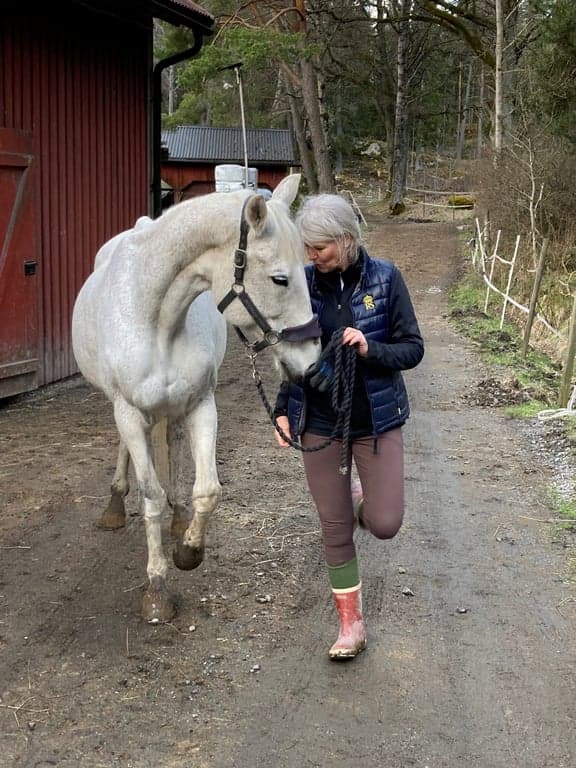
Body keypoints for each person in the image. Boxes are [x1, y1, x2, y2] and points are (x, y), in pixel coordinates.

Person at [273, 193, 424, 661]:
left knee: (385, 523)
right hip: (319, 421)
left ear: (346, 239)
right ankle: (350, 626)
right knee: (333, 527)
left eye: (320, 248)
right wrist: (283, 409)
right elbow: (291, 354)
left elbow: (412, 349)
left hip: (374, 423)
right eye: (307, 248)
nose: (312, 257)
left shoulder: (385, 277)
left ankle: (364, 498)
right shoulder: (303, 284)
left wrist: (369, 350)